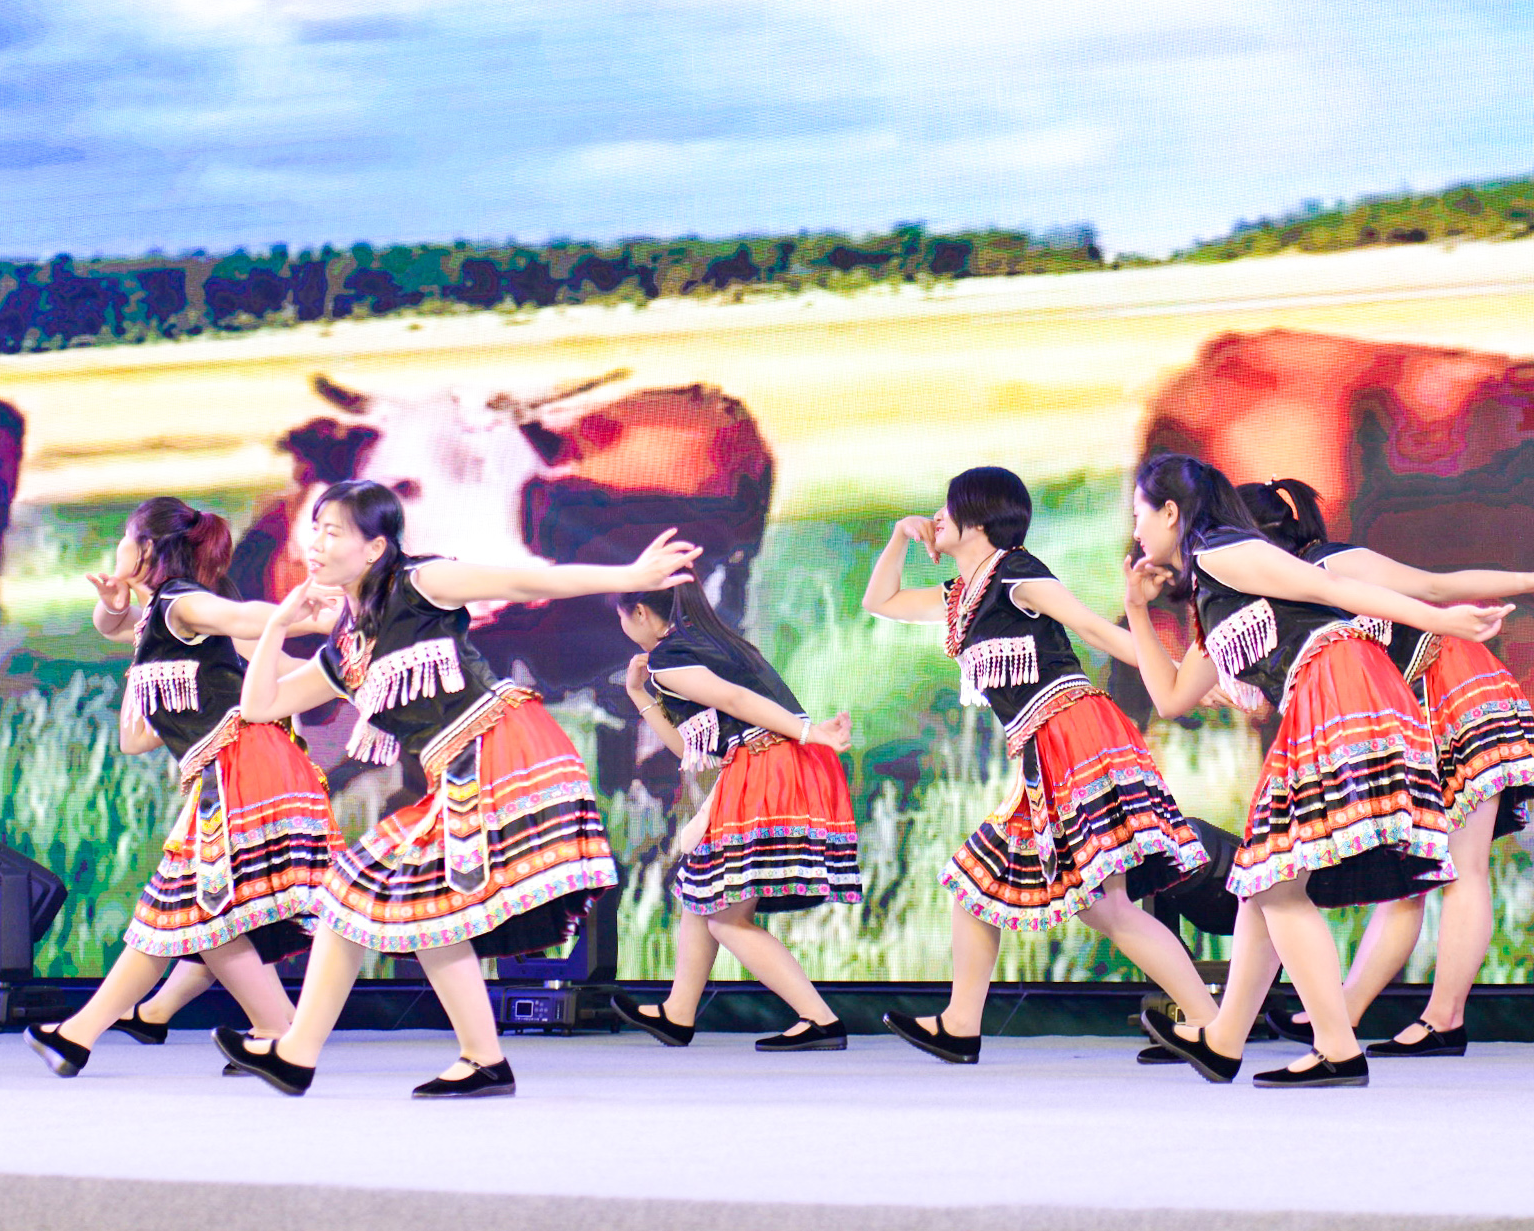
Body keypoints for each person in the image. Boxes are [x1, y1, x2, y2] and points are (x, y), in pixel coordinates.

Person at [215, 479, 696, 1098]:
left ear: (374, 548)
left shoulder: (420, 583)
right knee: (377, 900)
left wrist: (627, 574)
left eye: (333, 532)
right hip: (457, 770)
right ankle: (457, 1059)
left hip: (501, 750)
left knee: (394, 900)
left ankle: (304, 1054)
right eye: (315, 530)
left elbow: (522, 582)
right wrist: (280, 623)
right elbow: (262, 707)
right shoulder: (348, 646)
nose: (316, 543)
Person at [1124, 454, 1509, 1088]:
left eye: (1140, 513)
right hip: (1329, 694)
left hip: (1338, 688)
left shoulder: (1223, 552)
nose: (1136, 529)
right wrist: (1138, 611)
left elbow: (1332, 591)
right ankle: (1225, 1039)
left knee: (1275, 880)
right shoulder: (1212, 592)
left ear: (1170, 512)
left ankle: (1334, 1047)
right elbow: (1169, 698)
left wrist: (1440, 619)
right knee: (1267, 879)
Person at [862, 466, 1215, 1065]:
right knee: (983, 885)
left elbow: (1093, 628)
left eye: (948, 507)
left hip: (1074, 735)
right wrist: (899, 535)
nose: (937, 518)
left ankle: (1210, 1023)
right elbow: (881, 601)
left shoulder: (1016, 574)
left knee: (1101, 904)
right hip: (1041, 749)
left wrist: (1181, 677)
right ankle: (960, 1024)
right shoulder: (962, 597)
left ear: (978, 518)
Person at [1235, 478, 1534, 1057]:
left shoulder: (1331, 562)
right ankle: (1343, 1014)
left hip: (1453, 692)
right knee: (1411, 880)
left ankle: (1444, 1018)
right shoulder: (1282, 592)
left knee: (1462, 870)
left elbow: (1434, 586)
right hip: (1411, 714)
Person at [25, 498, 340, 1078]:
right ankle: (88, 1034)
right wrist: (112, 604)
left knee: (194, 910)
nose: (117, 548)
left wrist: (300, 617)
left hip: (245, 768)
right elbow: (117, 645)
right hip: (230, 769)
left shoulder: (181, 602)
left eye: (126, 538)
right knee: (185, 912)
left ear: (147, 549)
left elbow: (238, 618)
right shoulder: (157, 617)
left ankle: (268, 1031)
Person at [606, 573, 861, 1051]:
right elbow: (691, 748)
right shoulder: (719, 644)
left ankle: (820, 1020)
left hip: (766, 767)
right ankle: (678, 1013)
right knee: (701, 894)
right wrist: (639, 694)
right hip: (779, 764)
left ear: (639, 611)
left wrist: (810, 733)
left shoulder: (670, 656)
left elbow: (735, 701)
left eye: (621, 616)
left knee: (726, 917)